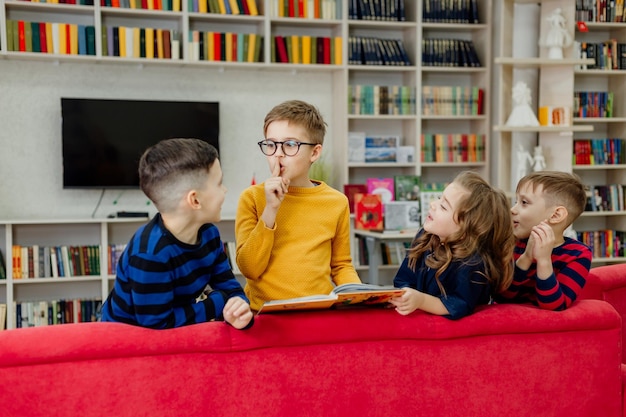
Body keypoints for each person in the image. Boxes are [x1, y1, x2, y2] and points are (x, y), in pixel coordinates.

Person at [101, 138, 254, 329]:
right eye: (219, 183)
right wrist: (218, 303)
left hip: (179, 331)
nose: (225, 190)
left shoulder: (209, 234)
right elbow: (158, 325)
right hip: (126, 343)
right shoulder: (151, 253)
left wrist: (239, 308)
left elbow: (231, 291)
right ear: (195, 200)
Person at [235, 100, 361, 311]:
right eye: (271, 144)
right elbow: (249, 269)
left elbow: (341, 266)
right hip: (265, 315)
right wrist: (271, 209)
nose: (278, 153)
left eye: (290, 144)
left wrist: (360, 296)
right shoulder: (252, 198)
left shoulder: (337, 202)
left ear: (314, 153)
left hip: (316, 314)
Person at [390, 171, 515, 320]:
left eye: (443, 206)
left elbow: (459, 304)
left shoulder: (473, 263)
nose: (432, 204)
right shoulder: (425, 237)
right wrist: (404, 295)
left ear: (465, 229)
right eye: (438, 198)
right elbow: (404, 279)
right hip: (421, 323)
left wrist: (421, 300)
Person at [496, 171, 592, 310]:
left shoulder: (578, 254)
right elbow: (501, 297)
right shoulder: (511, 242)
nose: (512, 210)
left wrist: (544, 261)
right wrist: (526, 258)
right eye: (516, 202)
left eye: (524, 202)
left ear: (556, 215)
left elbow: (555, 306)